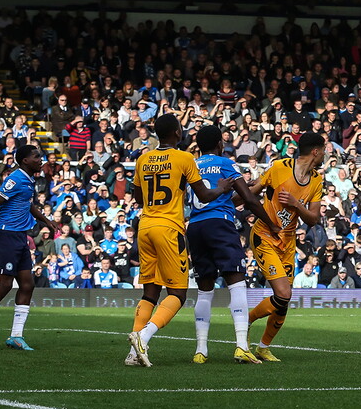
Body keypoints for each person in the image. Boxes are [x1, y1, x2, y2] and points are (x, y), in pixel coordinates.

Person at [126, 114, 234, 368]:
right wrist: (222, 188)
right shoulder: (184, 158)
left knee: (150, 291)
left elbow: (138, 199)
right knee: (178, 293)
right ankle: (143, 337)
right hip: (169, 229)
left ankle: (133, 353)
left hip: (145, 226)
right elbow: (205, 195)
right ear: (176, 133)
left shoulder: (143, 158)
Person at [186, 125, 281, 365]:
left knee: (204, 291)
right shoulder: (226, 163)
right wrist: (271, 224)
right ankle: (241, 346)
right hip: (220, 223)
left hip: (195, 227)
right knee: (236, 284)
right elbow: (248, 199)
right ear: (219, 143)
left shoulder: (191, 166)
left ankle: (200, 350)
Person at [0, 145, 56, 351]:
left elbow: (27, 204)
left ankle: (16, 336)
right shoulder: (15, 179)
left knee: (27, 284)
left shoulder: (29, 179)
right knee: (5, 284)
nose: (40, 160)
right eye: (36, 157)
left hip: (19, 236)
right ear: (24, 161)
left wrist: (46, 220)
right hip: (5, 235)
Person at [245, 132, 325, 362]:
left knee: (283, 302)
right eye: (324, 150)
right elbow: (252, 192)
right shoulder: (279, 167)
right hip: (264, 235)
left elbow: (313, 219)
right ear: (315, 152)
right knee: (283, 293)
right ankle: (247, 320)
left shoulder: (317, 180)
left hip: (288, 241)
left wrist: (296, 204)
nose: (325, 155)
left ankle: (263, 347)